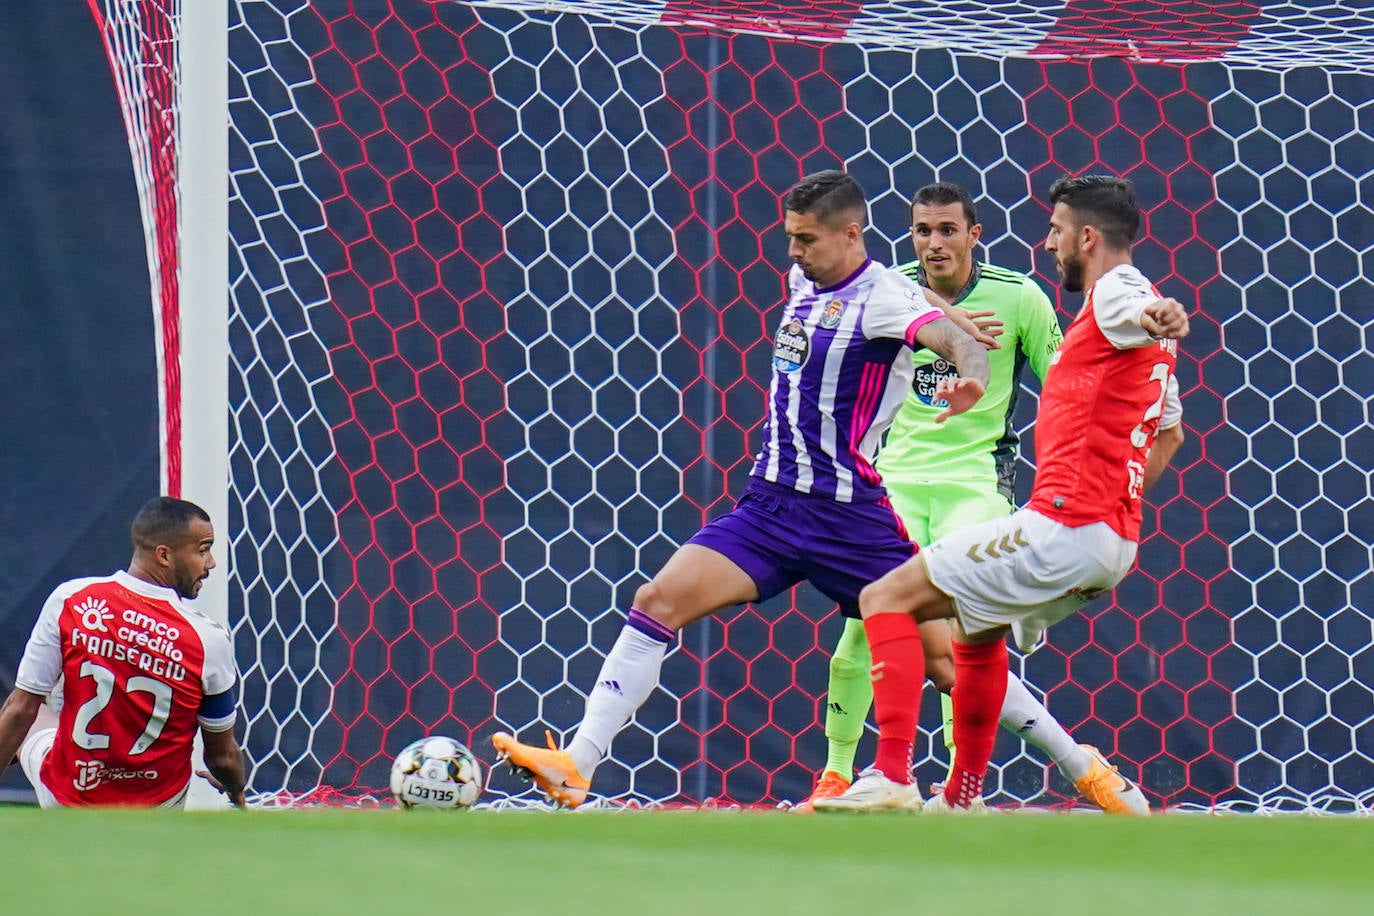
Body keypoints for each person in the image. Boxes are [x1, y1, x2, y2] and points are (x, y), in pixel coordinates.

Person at [491, 169, 994, 807]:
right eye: (790, 238)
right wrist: (951, 316)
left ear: (850, 235)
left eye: (806, 240)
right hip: (771, 506)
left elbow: (940, 334)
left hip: (848, 517)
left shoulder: (884, 299)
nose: (792, 252)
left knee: (950, 661)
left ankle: (1077, 765)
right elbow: (920, 303)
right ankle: (577, 762)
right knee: (658, 597)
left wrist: (969, 364)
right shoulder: (809, 277)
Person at [816, 174, 1187, 812]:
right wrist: (1109, 505)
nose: (1047, 244)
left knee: (885, 598)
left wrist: (1161, 313)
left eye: (1056, 231)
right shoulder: (1133, 345)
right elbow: (1169, 437)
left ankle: (893, 778)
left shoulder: (1117, 297)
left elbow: (1137, 306)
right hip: (1111, 540)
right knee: (975, 635)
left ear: (1087, 237)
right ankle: (960, 796)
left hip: (1064, 525)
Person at [0, 496, 247, 808]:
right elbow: (222, 758)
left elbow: (19, 710)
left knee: (29, 712)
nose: (210, 563)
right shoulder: (208, 638)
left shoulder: (71, 600)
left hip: (67, 799)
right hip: (159, 807)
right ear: (164, 556)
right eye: (202, 550)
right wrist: (237, 792)